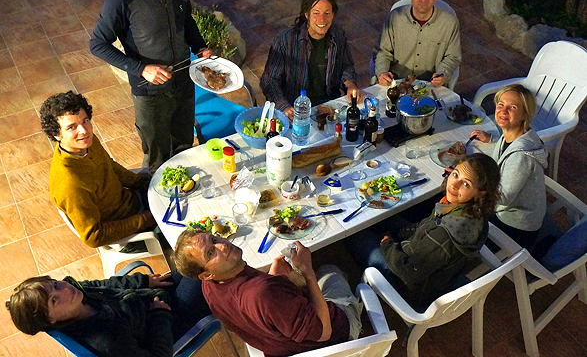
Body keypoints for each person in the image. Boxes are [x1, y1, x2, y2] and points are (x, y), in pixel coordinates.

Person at [90, 0, 210, 174]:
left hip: (184, 82)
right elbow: (98, 44)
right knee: (157, 159)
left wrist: (200, 46)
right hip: (150, 93)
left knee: (184, 147)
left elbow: (186, 20)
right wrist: (142, 69)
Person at [345, 153, 500, 310]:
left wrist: (387, 244)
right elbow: (424, 227)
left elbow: (408, 271)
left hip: (408, 284)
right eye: (455, 175)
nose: (454, 185)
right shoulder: (468, 211)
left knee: (354, 233)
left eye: (466, 184)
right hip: (425, 260)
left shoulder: (444, 235)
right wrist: (398, 233)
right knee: (383, 218)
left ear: (481, 193)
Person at [173, 231, 362, 357]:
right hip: (334, 335)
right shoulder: (264, 292)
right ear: (206, 274)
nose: (222, 246)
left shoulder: (208, 287)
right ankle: (361, 316)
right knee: (330, 271)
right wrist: (307, 271)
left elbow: (258, 304)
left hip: (279, 345)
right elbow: (324, 332)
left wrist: (273, 277)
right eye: (210, 253)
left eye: (214, 239)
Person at [6, 269, 211, 357]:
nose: (65, 289)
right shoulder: (108, 341)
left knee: (192, 259)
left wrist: (142, 280)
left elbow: (103, 284)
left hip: (148, 298)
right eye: (54, 300)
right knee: (206, 271)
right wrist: (161, 316)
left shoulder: (77, 293)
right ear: (51, 320)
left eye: (55, 285)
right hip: (169, 320)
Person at [41, 91, 156, 249]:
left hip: (133, 202)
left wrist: (141, 182)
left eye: (85, 120)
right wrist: (146, 219)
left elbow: (109, 166)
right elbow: (93, 236)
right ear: (57, 135)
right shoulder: (70, 184)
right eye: (71, 127)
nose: (84, 130)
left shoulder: (86, 143)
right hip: (129, 234)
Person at [260, 0, 364, 122]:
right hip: (296, 109)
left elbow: (346, 65)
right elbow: (269, 81)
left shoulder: (338, 35)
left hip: (329, 105)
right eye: (316, 13)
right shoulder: (285, 41)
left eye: (327, 13)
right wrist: (283, 106)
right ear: (307, 15)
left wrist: (350, 85)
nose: (322, 19)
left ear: (333, 15)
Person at [471, 84, 548, 249]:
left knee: (461, 222)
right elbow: (504, 156)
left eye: (512, 107)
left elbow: (502, 197)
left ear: (524, 114)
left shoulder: (521, 156)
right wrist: (491, 140)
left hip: (515, 228)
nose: (503, 111)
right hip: (505, 212)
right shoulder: (512, 136)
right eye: (501, 104)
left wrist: (470, 184)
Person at [373, 0, 461, 88]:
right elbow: (382, 51)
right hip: (396, 84)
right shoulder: (395, 18)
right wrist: (382, 72)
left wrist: (443, 74)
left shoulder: (449, 23)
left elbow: (452, 56)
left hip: (429, 86)